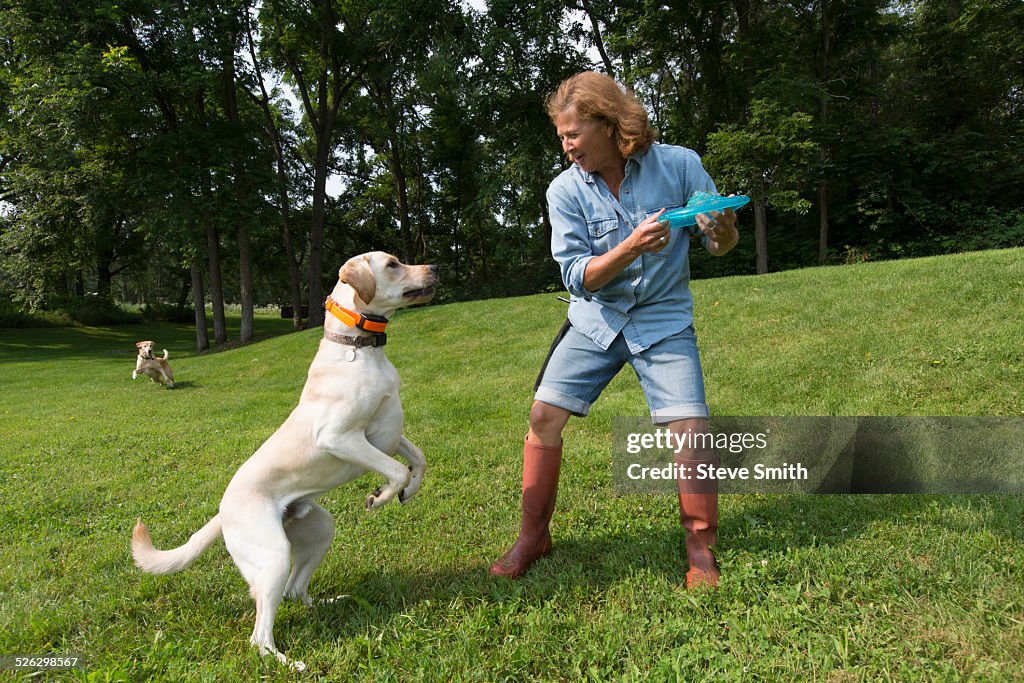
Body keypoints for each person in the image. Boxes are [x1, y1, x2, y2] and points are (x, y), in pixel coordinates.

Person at [489, 71, 739, 588]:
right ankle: (533, 537)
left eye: (573, 134)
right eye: (561, 136)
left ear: (608, 124)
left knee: (691, 431)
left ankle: (701, 550)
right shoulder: (564, 191)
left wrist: (725, 230)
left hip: (663, 320)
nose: (566, 146)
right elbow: (578, 276)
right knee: (543, 416)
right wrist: (629, 248)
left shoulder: (680, 164)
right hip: (596, 320)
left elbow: (720, 244)